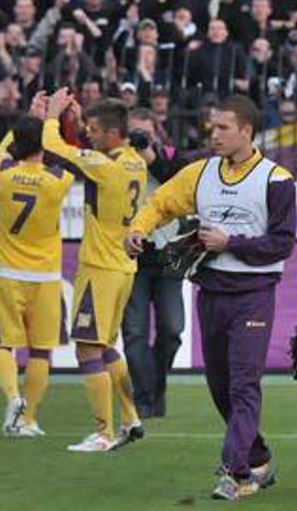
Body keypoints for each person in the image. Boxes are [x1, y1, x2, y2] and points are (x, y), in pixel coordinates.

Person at [126, 95, 297, 501]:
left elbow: (283, 244)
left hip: (253, 295)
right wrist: (138, 229)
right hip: (211, 292)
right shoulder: (200, 173)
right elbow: (160, 203)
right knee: (220, 386)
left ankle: (236, 473)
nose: (214, 134)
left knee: (242, 385)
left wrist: (230, 243)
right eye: (212, 127)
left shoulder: (276, 179)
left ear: (246, 131)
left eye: (223, 127)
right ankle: (257, 457)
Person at [41, 89, 147, 452]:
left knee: (87, 349)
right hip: (123, 268)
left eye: (96, 130)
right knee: (106, 347)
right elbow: (84, 152)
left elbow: (53, 148)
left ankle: (103, 433)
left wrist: (52, 115)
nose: (90, 134)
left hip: (100, 268)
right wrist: (77, 121)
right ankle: (131, 419)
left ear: (113, 133)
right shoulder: (134, 161)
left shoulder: (104, 165)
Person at [0, 100, 74, 437]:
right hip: (46, 276)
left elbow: (2, 148)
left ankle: (13, 398)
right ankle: (29, 419)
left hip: (8, 274)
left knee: (3, 345)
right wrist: (57, 120)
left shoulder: (3, 171)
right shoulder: (57, 179)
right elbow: (70, 154)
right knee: (41, 350)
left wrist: (30, 115)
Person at [121, 107, 187, 419]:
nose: (138, 139)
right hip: (132, 252)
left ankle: (154, 389)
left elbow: (180, 186)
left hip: (169, 252)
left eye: (144, 134)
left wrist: (150, 156)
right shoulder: (117, 161)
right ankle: (144, 398)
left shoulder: (172, 158)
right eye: (133, 133)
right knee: (134, 331)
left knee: (172, 328)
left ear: (156, 133)